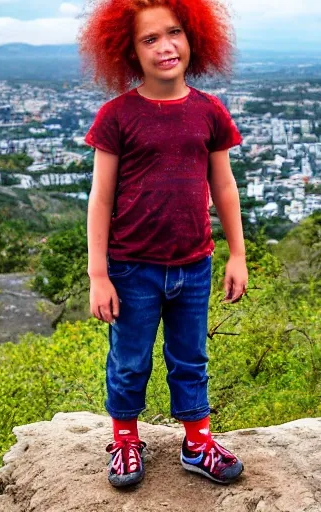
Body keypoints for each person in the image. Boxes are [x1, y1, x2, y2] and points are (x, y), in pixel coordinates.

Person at [78, 0, 247, 488]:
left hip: (194, 264)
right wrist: (98, 274)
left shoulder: (209, 110)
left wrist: (237, 254)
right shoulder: (117, 116)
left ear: (194, 37)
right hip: (132, 268)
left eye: (173, 33)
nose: (165, 46)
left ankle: (197, 441)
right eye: (149, 39)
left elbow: (225, 187)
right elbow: (100, 198)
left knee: (191, 357)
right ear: (129, 51)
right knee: (129, 361)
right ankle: (126, 440)